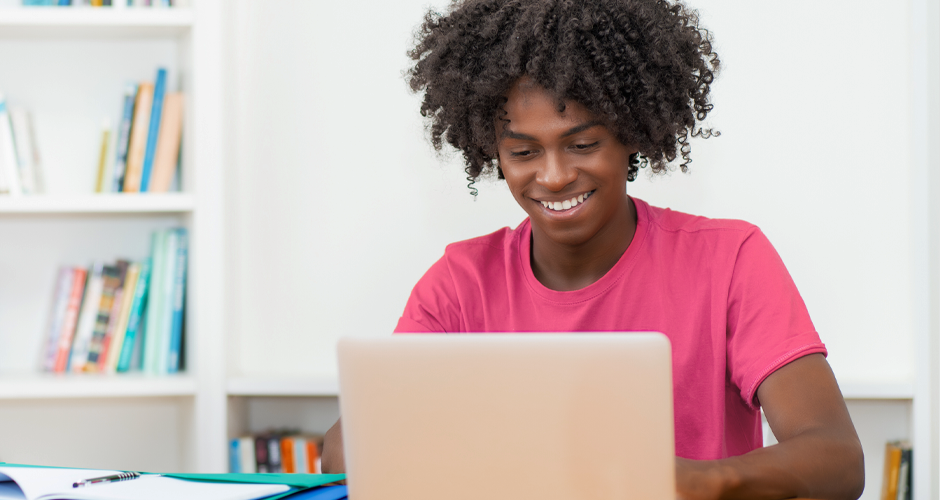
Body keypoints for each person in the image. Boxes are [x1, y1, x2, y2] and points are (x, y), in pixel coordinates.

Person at [318, 1, 865, 499]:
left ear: (631, 134)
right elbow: (348, 450)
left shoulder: (730, 259)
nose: (554, 176)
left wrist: (698, 481)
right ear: (493, 154)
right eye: (524, 151)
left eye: (582, 145)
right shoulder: (460, 282)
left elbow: (838, 460)